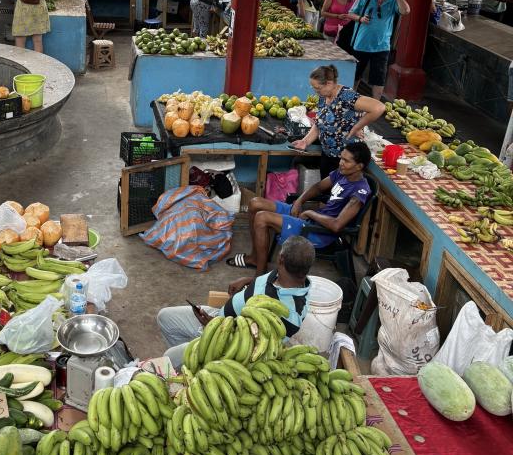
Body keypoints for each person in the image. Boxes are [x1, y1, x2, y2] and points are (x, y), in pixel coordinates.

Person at [156, 236, 316, 370]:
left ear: (281, 259)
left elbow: (253, 346)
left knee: (168, 358)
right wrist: (247, 281)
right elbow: (269, 285)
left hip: (227, 343)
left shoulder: (289, 315)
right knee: (164, 317)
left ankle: (201, 363)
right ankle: (195, 361)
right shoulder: (286, 276)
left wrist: (215, 326)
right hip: (220, 317)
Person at [226, 142, 372, 273]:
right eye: (341, 158)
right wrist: (299, 201)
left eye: (346, 161)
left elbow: (336, 225)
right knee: (255, 203)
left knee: (262, 217)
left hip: (319, 232)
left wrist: (310, 213)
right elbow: (318, 187)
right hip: (312, 219)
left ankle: (260, 272)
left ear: (359, 166)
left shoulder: (359, 192)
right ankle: (255, 257)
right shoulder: (342, 174)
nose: (340, 163)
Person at [291, 64, 385, 178]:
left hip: (345, 160)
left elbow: (378, 108)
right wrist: (305, 141)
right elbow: (320, 123)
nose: (315, 91)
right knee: (326, 191)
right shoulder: (323, 96)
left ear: (329, 83)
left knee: (339, 191)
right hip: (328, 155)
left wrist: (357, 127)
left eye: (317, 88)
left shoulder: (346, 96)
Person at [347, 0, 410, 99]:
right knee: (356, 74)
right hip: (361, 43)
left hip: (382, 46)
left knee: (379, 79)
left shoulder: (393, 0)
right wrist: (360, 19)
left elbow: (406, 11)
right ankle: (349, 100)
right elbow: (350, 14)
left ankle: (375, 105)